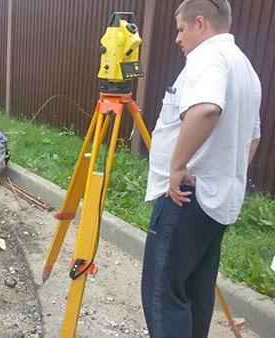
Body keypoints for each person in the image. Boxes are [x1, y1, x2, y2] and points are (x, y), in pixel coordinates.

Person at [142, 1, 261, 337]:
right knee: (195, 292)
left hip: (186, 197)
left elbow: (207, 108)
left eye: (181, 29)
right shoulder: (245, 67)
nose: (177, 38)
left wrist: (177, 166)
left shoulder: (207, 58)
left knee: (163, 295)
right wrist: (227, 172)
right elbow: (253, 137)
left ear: (200, 23)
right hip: (216, 200)